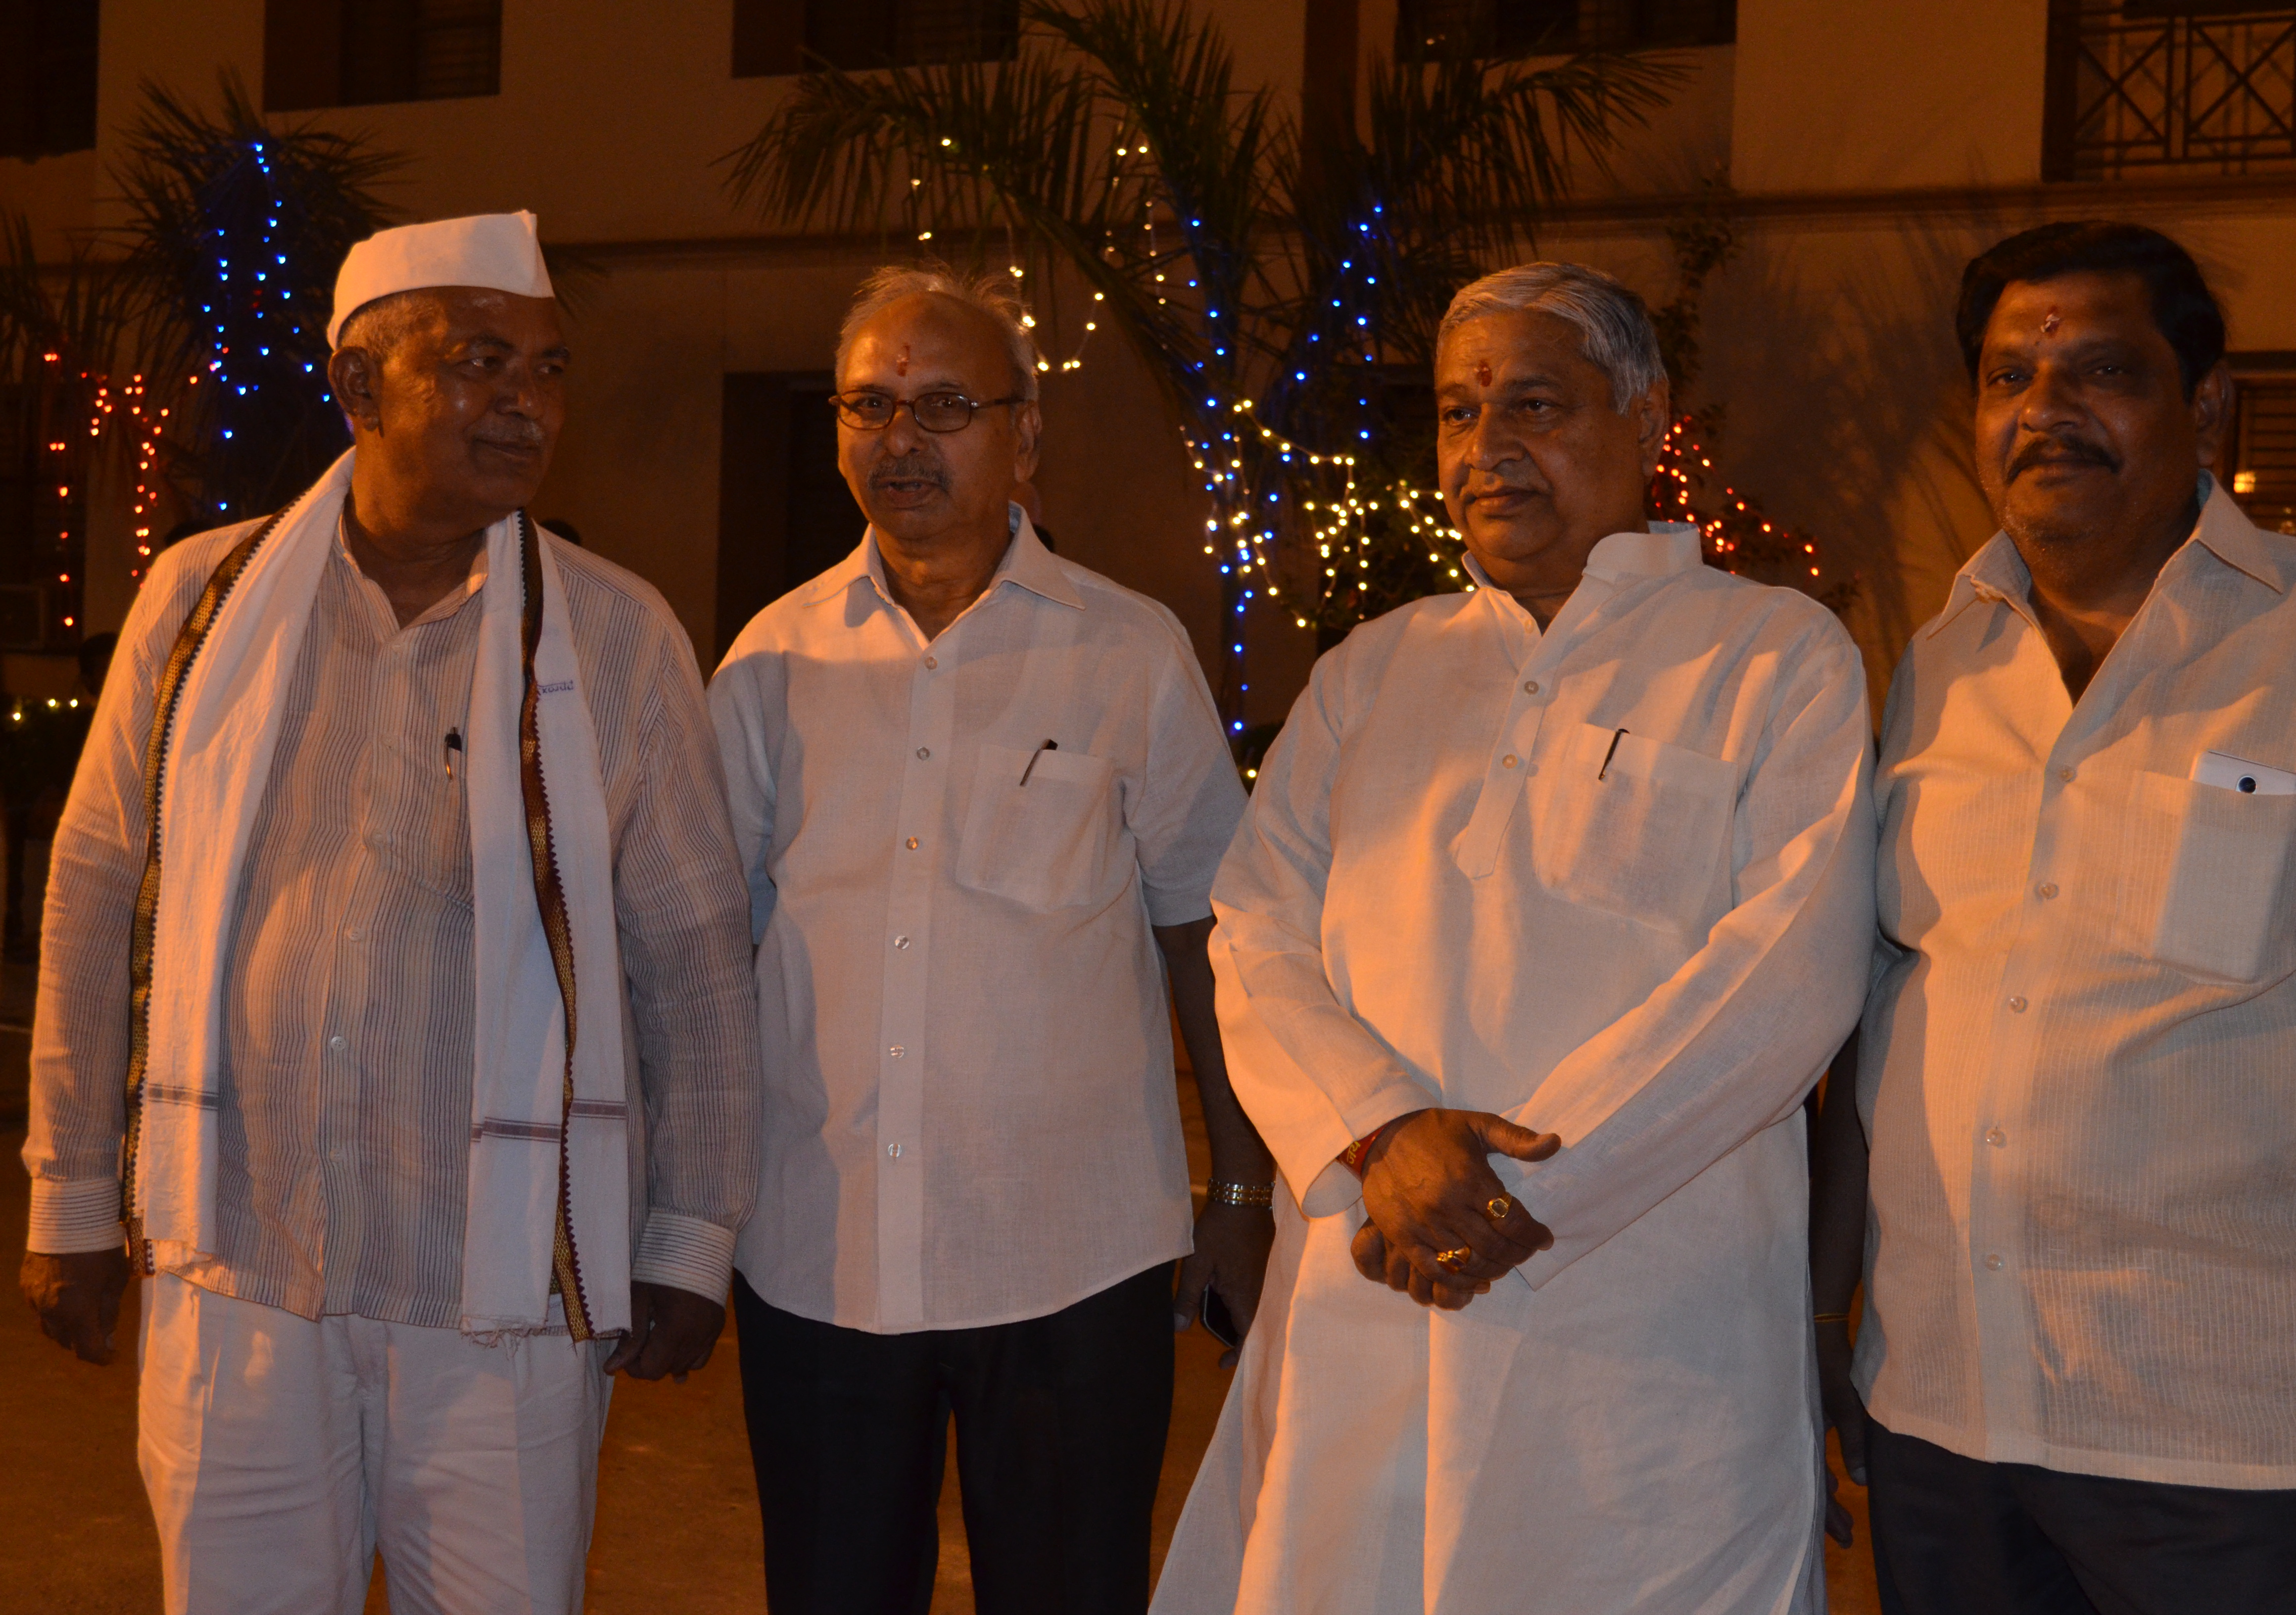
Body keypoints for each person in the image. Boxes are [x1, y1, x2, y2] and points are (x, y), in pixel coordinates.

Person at [17, 212, 760, 1615]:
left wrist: (687, 1238)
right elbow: (100, 886)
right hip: (238, 1266)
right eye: (482, 363)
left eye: (549, 369)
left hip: (505, 1291)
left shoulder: (612, 635)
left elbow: (697, 954)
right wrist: (68, 1198)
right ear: (360, 388)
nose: (528, 403)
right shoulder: (202, 604)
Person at [1153, 261, 1878, 1615]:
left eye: (1534, 405)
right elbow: (1255, 932)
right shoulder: (1372, 669)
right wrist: (1378, 1135)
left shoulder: (1774, 657)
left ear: (1646, 416)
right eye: (1456, 412)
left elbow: (1785, 979)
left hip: (1640, 1321)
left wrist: (1502, 1200)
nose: (1486, 448)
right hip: (1369, 1287)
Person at [1833, 219, 2296, 1615]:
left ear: (2206, 405)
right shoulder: (1939, 665)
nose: (2044, 411)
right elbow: (1884, 1008)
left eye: (2102, 371)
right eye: (2007, 379)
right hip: (1947, 1412)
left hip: (2241, 1437)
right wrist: (1828, 1315)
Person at [707, 264, 1269, 1615]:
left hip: (1071, 1257)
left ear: (1025, 436)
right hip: (819, 1253)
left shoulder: (1129, 653)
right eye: (868, 405)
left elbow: (1211, 937)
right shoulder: (771, 664)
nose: (900, 437)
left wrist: (1244, 1197)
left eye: (946, 406)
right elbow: (707, 956)